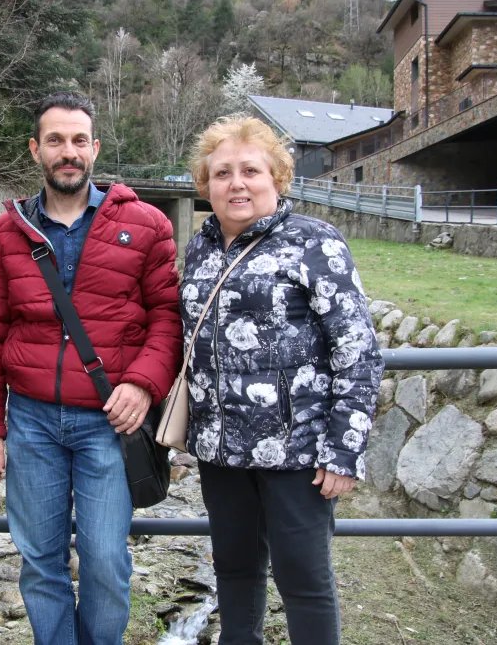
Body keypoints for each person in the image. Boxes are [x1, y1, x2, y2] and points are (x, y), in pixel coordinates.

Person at [0, 91, 182, 645]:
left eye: (79, 141)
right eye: (56, 140)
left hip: (109, 422)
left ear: (95, 148)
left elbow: (167, 317)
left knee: (106, 565)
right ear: (36, 149)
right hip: (32, 421)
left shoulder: (147, 224)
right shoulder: (7, 232)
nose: (69, 152)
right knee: (40, 562)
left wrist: (142, 382)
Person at [180, 115, 384, 645]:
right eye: (222, 173)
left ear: (277, 177)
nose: (236, 183)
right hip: (221, 451)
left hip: (298, 453)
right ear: (206, 184)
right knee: (234, 573)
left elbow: (358, 352)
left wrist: (343, 450)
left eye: (251, 170)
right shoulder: (200, 247)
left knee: (305, 582)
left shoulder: (315, 242)